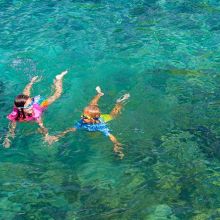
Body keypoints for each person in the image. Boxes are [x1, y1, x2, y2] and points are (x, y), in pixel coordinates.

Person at [52, 86, 130, 159]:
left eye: (84, 117)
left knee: (113, 116)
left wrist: (116, 145)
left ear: (92, 120)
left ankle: (119, 103)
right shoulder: (82, 121)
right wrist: (59, 135)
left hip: (104, 118)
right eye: (82, 115)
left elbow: (110, 136)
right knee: (91, 106)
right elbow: (72, 129)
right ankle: (99, 94)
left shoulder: (100, 126)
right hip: (94, 116)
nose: (81, 117)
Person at [3, 70, 68, 148]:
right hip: (28, 103)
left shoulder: (35, 113)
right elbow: (13, 122)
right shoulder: (15, 112)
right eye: (29, 106)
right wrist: (9, 136)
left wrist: (47, 136)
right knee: (24, 96)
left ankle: (58, 79)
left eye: (31, 104)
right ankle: (31, 82)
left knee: (57, 95)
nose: (31, 107)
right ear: (20, 109)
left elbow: (41, 125)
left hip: (40, 104)